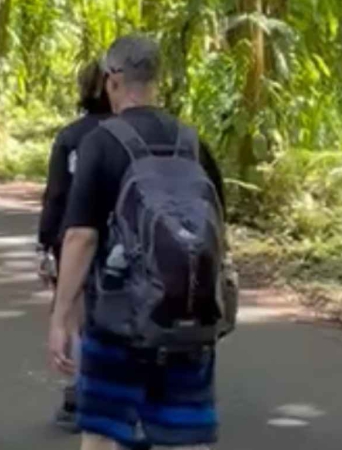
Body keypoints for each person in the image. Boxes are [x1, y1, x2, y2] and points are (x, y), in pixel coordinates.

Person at [49, 34, 229, 450]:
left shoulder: (102, 142)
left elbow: (80, 236)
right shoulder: (190, 140)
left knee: (103, 434)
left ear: (112, 81)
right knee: (186, 437)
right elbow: (217, 227)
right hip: (185, 319)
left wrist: (61, 317)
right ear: (156, 79)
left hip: (116, 323)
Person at [38, 59, 112, 429]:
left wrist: (45, 245)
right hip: (127, 242)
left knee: (73, 315)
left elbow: (55, 196)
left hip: (76, 237)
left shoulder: (71, 137)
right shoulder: (131, 132)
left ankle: (76, 396)